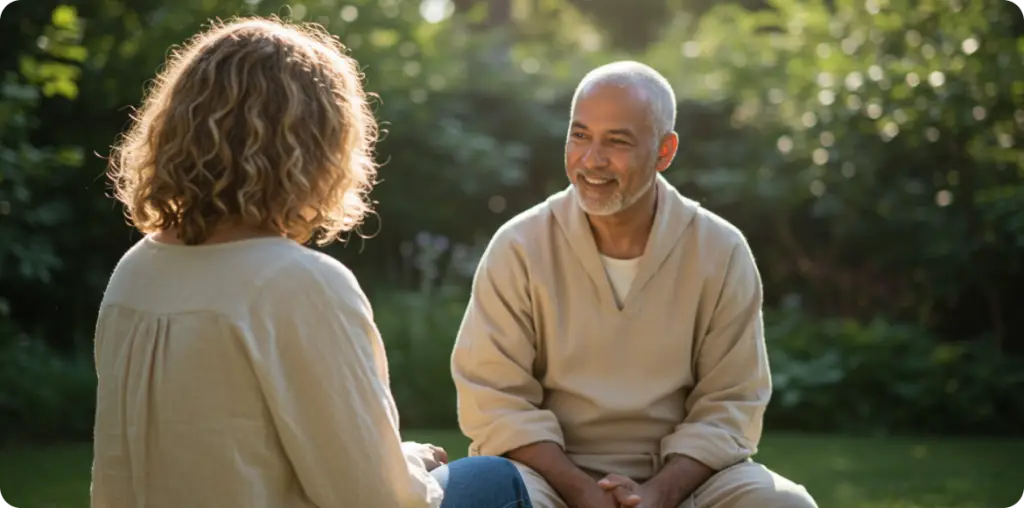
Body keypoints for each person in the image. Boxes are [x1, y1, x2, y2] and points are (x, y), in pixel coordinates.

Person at [91, 17, 530, 508]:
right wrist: (410, 462)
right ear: (319, 147)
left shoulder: (136, 271)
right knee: (495, 478)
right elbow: (373, 497)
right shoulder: (299, 283)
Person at [450, 61, 818, 508]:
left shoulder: (720, 251)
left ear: (665, 151)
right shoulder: (519, 246)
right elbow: (496, 401)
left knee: (785, 503)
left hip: (686, 483)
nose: (591, 160)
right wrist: (584, 493)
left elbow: (730, 404)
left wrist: (657, 495)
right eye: (580, 135)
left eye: (617, 141)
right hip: (547, 479)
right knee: (473, 488)